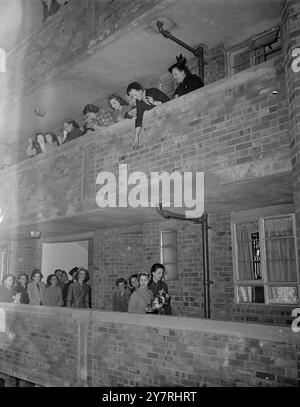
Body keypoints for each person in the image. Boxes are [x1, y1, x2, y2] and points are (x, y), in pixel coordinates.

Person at [127, 82, 169, 149]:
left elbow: (168, 101)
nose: (135, 97)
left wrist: (154, 102)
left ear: (140, 90)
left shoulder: (153, 91)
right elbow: (139, 119)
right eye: (133, 96)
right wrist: (136, 137)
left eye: (135, 94)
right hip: (157, 124)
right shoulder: (139, 102)